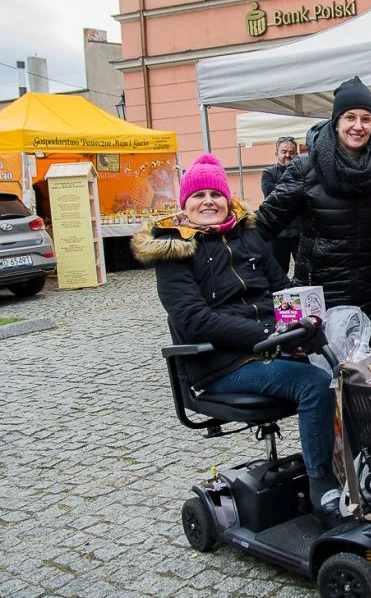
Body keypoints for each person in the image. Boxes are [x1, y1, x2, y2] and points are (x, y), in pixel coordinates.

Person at [131, 153, 344, 525]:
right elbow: (194, 320)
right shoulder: (175, 251)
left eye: (216, 194)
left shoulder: (249, 237)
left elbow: (282, 290)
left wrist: (310, 313)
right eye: (199, 196)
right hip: (220, 364)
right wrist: (268, 334)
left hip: (270, 351)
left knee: (350, 374)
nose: (209, 201)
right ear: (185, 205)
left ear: (228, 200)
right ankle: (320, 485)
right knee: (315, 383)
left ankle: (354, 473)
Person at [256, 77, 371, 352]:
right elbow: (263, 226)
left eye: (366, 119)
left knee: (370, 379)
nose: (358, 126)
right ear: (336, 121)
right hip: (315, 296)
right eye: (350, 117)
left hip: (370, 296)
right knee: (317, 380)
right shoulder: (305, 168)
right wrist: (279, 285)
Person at [261, 136, 301, 275]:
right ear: (276, 153)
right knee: (278, 273)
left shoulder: (302, 172)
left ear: (296, 153)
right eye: (284, 151)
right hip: (277, 233)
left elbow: (305, 195)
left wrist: (283, 191)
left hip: (299, 233)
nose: (288, 155)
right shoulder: (268, 173)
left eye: (291, 152)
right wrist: (295, 191)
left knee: (304, 272)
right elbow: (270, 194)